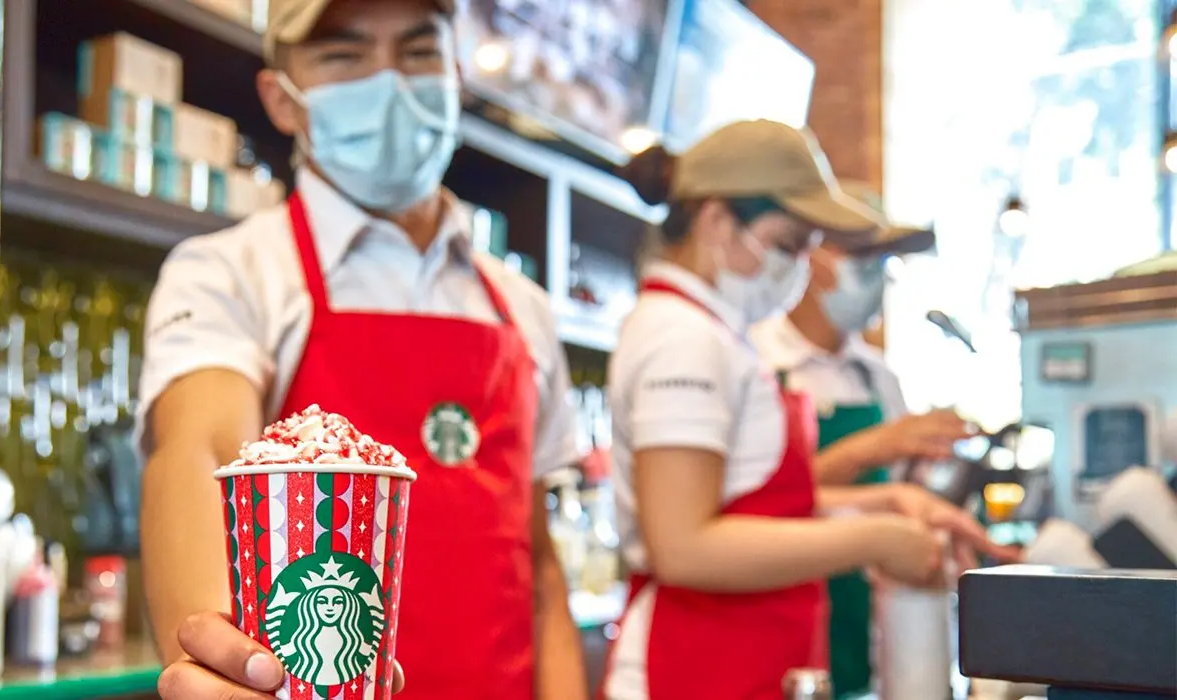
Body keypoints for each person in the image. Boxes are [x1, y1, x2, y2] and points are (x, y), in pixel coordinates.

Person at [137, 1, 586, 698]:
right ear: (282, 101)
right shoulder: (231, 273)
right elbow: (201, 447)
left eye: (416, 53)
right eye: (344, 57)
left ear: (457, 75)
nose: (390, 83)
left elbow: (539, 566)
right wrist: (220, 659)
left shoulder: (523, 307)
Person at [600, 120, 1010, 700]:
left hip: (738, 657)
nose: (798, 266)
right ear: (717, 221)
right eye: (789, 244)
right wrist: (874, 538)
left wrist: (884, 501)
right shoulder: (680, 337)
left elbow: (751, 505)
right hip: (689, 662)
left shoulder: (712, 334)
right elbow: (684, 545)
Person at [750, 182, 979, 698]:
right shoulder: (759, 363)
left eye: (883, 261)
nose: (873, 276)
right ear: (812, 256)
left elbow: (892, 497)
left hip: (867, 613)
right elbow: (762, 501)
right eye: (863, 257)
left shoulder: (877, 377)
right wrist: (872, 448)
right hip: (779, 601)